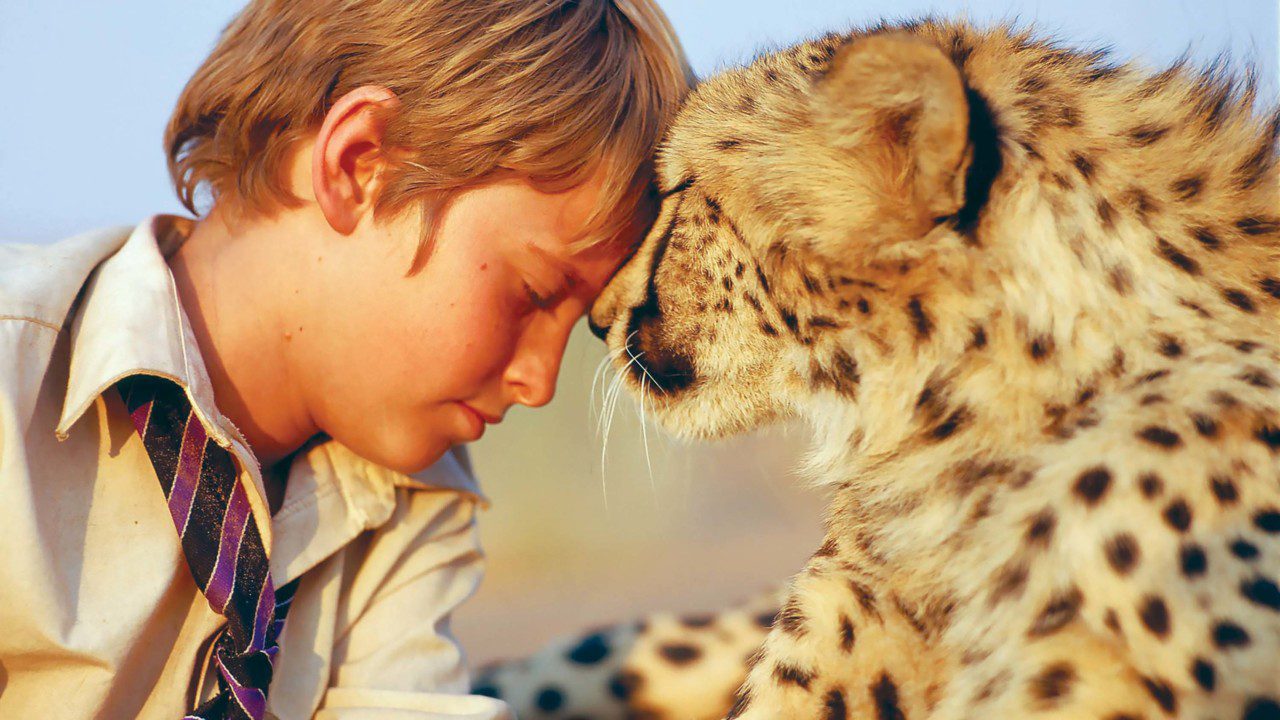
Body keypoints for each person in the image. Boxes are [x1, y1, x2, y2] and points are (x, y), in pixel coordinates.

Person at [0, 1, 691, 718]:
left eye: (577, 325)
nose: (539, 382)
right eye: (536, 292)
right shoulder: (12, 393)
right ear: (359, 165)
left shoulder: (412, 501)